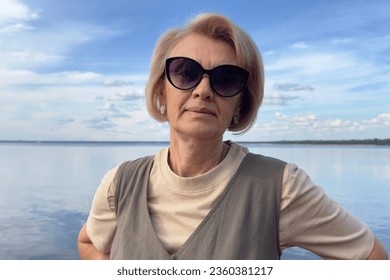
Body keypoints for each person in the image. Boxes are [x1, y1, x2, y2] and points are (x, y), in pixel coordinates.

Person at [77, 13, 388, 260]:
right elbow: (89, 242)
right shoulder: (120, 183)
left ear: (241, 103)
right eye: (185, 72)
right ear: (161, 90)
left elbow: (371, 259)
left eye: (226, 79)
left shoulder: (280, 187)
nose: (203, 90)